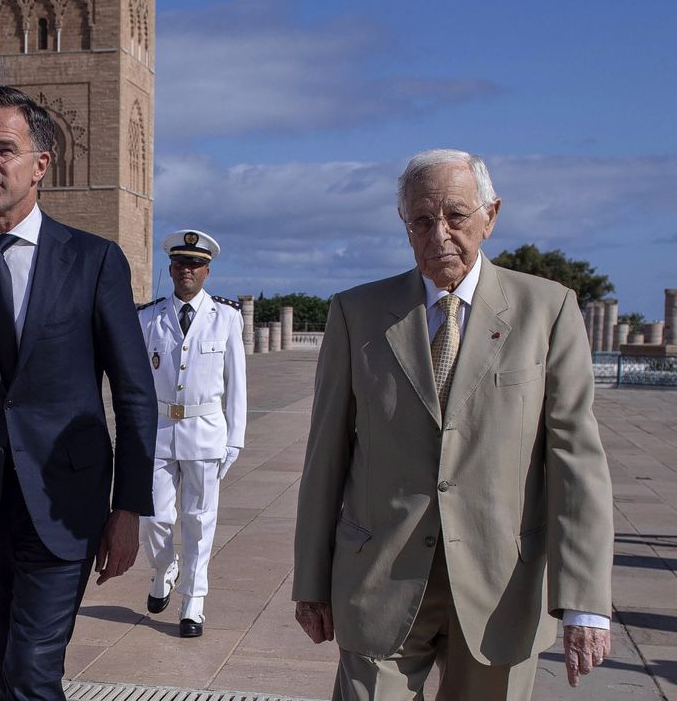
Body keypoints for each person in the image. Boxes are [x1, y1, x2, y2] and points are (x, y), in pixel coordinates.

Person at [293, 149, 613, 700]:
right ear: (405, 224)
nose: (439, 233)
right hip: (379, 578)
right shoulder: (356, 313)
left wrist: (585, 600)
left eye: (456, 216)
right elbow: (326, 457)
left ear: (491, 216)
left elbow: (575, 459)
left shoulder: (548, 310)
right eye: (421, 220)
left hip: (501, 586)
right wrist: (311, 582)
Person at [0, 86, 157, 701]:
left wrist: (129, 509)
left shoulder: (94, 261)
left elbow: (134, 394)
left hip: (65, 505)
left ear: (41, 164)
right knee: (8, 673)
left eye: (3, 150)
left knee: (32, 674)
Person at [136, 229, 246, 638]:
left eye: (196, 264)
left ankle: (193, 601)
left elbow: (237, 384)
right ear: (171, 267)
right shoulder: (148, 317)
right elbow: (137, 382)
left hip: (205, 433)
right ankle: (164, 567)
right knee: (154, 518)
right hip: (159, 431)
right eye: (181, 263)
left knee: (199, 521)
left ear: (207, 271)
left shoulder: (227, 317)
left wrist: (234, 439)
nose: (188, 270)